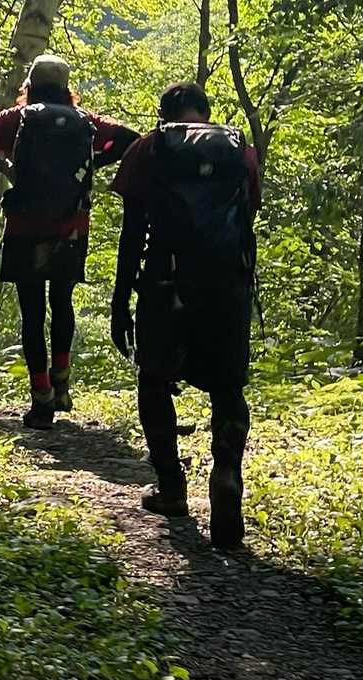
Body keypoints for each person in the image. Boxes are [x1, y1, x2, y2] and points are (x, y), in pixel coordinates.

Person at [109, 81, 261, 550]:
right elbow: (247, 219)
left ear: (164, 114)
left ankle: (172, 487)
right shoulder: (241, 151)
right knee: (228, 388)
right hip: (227, 286)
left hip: (165, 283)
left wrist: (121, 299)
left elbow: (133, 231)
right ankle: (227, 474)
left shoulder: (148, 149)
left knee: (154, 379)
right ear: (206, 112)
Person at [0, 54, 138, 430]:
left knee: (32, 312)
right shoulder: (85, 120)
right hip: (71, 226)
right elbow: (130, 140)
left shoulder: (18, 117)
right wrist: (90, 165)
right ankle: (62, 384)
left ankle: (41, 400)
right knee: (62, 302)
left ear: (30, 85)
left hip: (25, 225)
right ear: (67, 89)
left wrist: (4, 166)